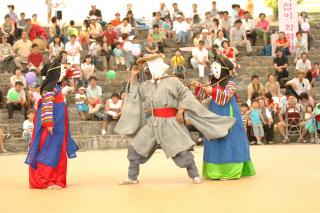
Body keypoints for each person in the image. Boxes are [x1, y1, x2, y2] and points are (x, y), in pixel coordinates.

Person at [115, 55, 235, 185]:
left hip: (170, 123)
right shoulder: (146, 85)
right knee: (135, 149)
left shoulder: (173, 81)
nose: (146, 71)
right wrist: (133, 76)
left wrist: (181, 110)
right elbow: (134, 94)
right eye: (146, 69)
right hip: (153, 123)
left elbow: (186, 94)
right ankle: (132, 177)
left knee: (182, 151)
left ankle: (194, 175)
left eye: (148, 68)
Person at [25, 57, 78, 189]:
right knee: (48, 150)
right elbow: (47, 106)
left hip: (59, 126)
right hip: (52, 126)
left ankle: (55, 179)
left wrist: (69, 71)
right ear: (56, 74)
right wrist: (49, 124)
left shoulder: (56, 86)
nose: (64, 73)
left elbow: (66, 78)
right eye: (61, 71)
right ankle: (46, 180)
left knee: (57, 151)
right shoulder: (50, 88)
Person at [202, 57, 255, 179]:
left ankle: (231, 170)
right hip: (215, 112)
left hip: (228, 112)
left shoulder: (231, 81)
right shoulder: (213, 81)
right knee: (215, 137)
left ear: (224, 69)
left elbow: (226, 95)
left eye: (217, 67)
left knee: (231, 138)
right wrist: (202, 88)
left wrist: (213, 91)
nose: (214, 70)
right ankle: (214, 170)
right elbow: (205, 94)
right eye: (213, 67)